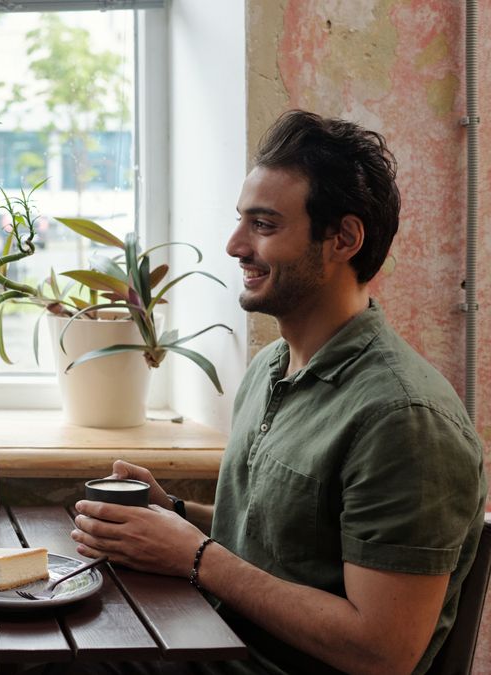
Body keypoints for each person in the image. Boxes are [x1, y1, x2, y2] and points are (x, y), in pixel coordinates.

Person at [71, 111, 486, 675]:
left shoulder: (405, 420)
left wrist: (193, 557)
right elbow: (286, 540)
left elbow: (383, 651)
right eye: (241, 221)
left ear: (343, 239)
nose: (235, 244)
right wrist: (172, 513)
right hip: (221, 643)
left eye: (264, 225)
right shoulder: (272, 367)